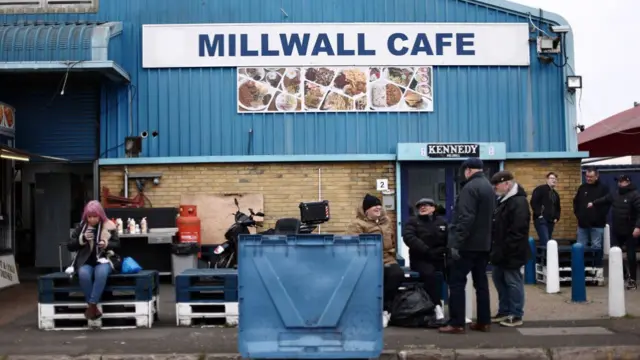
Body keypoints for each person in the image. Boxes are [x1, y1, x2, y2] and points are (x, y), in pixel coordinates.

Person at [439, 158, 495, 334]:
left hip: (467, 246)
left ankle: (456, 323)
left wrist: (456, 243)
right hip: (484, 245)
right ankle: (484, 322)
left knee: (456, 283)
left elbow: (466, 218)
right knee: (481, 283)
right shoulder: (488, 187)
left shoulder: (469, 188)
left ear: (468, 170)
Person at [348, 193, 404, 327]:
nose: (378, 208)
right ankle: (371, 311)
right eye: (375, 207)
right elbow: (353, 245)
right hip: (368, 260)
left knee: (396, 274)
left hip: (387, 258)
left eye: (379, 206)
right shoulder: (357, 224)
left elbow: (392, 241)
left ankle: (386, 311)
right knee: (374, 277)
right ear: (366, 210)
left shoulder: (387, 222)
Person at [489, 171, 531, 327]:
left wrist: (507, 249)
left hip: (512, 252)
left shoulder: (518, 202)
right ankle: (505, 310)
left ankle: (516, 314)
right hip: (501, 251)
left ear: (507, 183)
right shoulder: (504, 200)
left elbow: (518, 230)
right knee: (499, 280)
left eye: (497, 185)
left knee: (513, 282)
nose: (495, 188)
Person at [67, 200, 119, 320]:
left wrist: (106, 243)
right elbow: (70, 246)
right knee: (83, 274)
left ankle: (91, 306)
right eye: (89, 217)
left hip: (104, 259)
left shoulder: (109, 226)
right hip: (85, 261)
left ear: (100, 215)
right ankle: (94, 306)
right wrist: (82, 239)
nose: (92, 220)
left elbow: (117, 244)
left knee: (101, 273)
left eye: (95, 216)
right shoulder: (81, 227)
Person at [402, 198, 448, 326]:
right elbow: (409, 238)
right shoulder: (412, 222)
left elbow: (449, 239)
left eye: (427, 205)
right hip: (420, 259)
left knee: (455, 277)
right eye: (420, 206)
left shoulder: (442, 222)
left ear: (433, 208)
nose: (423, 207)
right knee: (431, 275)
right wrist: (427, 251)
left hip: (439, 258)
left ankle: (458, 312)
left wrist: (443, 250)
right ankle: (437, 307)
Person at [588, 175, 640, 290]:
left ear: (627, 182)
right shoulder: (615, 194)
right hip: (617, 229)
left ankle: (632, 280)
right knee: (615, 253)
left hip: (631, 230)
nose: (619, 183)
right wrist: (593, 203)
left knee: (631, 256)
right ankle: (623, 275)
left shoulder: (635, 195)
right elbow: (605, 199)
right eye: (618, 181)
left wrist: (638, 227)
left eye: (621, 181)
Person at [573, 167, 610, 264]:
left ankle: (597, 269)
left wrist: (598, 216)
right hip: (582, 224)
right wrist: (579, 215)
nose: (588, 178)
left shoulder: (603, 188)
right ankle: (583, 268)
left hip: (597, 224)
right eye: (587, 176)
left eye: (591, 177)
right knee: (581, 247)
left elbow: (607, 203)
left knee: (596, 247)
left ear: (597, 176)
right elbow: (576, 202)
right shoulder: (582, 187)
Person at [530, 172, 561, 246]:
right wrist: (539, 215)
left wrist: (556, 217)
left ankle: (544, 257)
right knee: (545, 241)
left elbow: (558, 207)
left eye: (555, 179)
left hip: (551, 221)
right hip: (541, 220)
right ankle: (544, 257)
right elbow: (534, 202)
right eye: (552, 178)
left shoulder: (555, 194)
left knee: (549, 242)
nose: (554, 180)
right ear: (547, 179)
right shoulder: (540, 189)